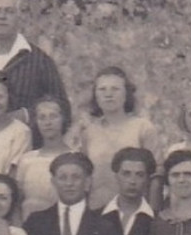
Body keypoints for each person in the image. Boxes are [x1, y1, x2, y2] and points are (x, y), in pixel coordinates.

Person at [69, 66, 165, 209]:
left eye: (115, 89)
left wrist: (152, 213)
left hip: (134, 212)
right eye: (102, 89)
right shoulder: (88, 132)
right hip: (97, 210)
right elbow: (83, 176)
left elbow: (156, 175)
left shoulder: (143, 128)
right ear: (95, 95)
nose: (109, 94)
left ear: (126, 94)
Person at [12, 96, 75, 219]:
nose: (48, 123)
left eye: (53, 116)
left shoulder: (74, 158)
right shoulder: (27, 160)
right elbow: (17, 202)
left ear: (63, 119)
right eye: (42, 117)